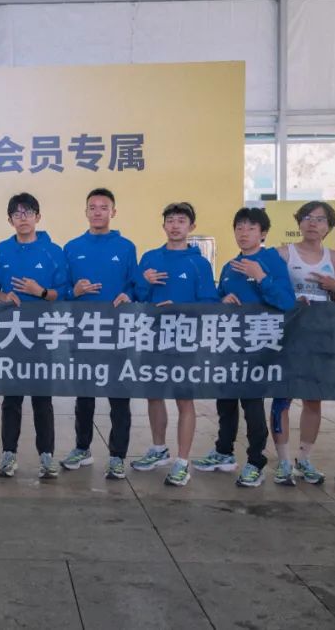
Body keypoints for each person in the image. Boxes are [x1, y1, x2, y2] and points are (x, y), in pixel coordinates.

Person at [191, 208, 295, 487]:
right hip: (229, 346)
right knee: (225, 400)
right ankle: (223, 452)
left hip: (259, 347)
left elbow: (286, 302)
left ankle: (256, 461)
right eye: (239, 227)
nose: (244, 233)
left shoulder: (271, 261)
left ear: (263, 233)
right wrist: (222, 300)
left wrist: (261, 276)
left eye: (251, 228)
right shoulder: (229, 267)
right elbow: (217, 299)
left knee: (252, 404)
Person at [130, 202, 219, 486]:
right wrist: (144, 281)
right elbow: (137, 296)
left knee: (184, 399)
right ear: (163, 225)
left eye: (181, 220)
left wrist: (179, 308)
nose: (175, 225)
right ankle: (158, 449)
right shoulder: (150, 258)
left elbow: (209, 303)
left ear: (191, 227)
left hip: (185, 340)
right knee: (153, 395)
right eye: (170, 220)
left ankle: (182, 461)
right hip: (152, 337)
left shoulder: (199, 263)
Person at [0, 193, 68, 480]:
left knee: (42, 398)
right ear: (10, 220)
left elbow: (63, 293)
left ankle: (46, 456)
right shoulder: (1, 250)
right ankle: (8, 454)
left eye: (28, 212)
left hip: (43, 334)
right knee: (11, 398)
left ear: (38, 217)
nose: (23, 218)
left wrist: (40, 292)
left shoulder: (53, 251)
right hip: (11, 335)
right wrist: (3, 296)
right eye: (17, 214)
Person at [60, 188, 137, 480]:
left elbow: (135, 285)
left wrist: (129, 295)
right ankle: (82, 448)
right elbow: (62, 289)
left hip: (117, 333)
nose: (97, 212)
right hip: (82, 331)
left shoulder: (126, 247)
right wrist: (74, 291)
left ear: (113, 212)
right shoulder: (72, 247)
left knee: (119, 396)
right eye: (92, 207)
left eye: (103, 207)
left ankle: (117, 456)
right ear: (86, 212)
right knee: (84, 395)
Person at [271, 201, 335, 485]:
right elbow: (271, 291)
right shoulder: (282, 254)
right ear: (299, 223)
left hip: (319, 337)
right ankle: (283, 461)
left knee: (313, 399)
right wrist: (292, 300)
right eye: (307, 218)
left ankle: (304, 459)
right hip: (288, 336)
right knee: (282, 398)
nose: (313, 223)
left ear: (329, 227)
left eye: (320, 219)